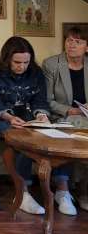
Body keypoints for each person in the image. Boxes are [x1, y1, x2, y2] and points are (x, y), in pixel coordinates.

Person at [0, 36, 72, 215]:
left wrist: (41, 115)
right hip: (1, 118)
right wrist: (10, 118)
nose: (22, 67)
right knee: (23, 141)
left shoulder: (36, 72)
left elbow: (40, 101)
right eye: (17, 62)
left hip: (28, 116)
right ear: (7, 58)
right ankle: (23, 193)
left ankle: (62, 190)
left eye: (26, 62)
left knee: (57, 137)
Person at [42, 25, 88, 212]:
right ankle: (64, 190)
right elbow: (47, 100)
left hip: (85, 116)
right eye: (69, 40)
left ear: (87, 47)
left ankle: (84, 190)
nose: (72, 45)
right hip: (62, 116)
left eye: (78, 42)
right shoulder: (52, 64)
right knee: (72, 134)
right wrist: (71, 110)